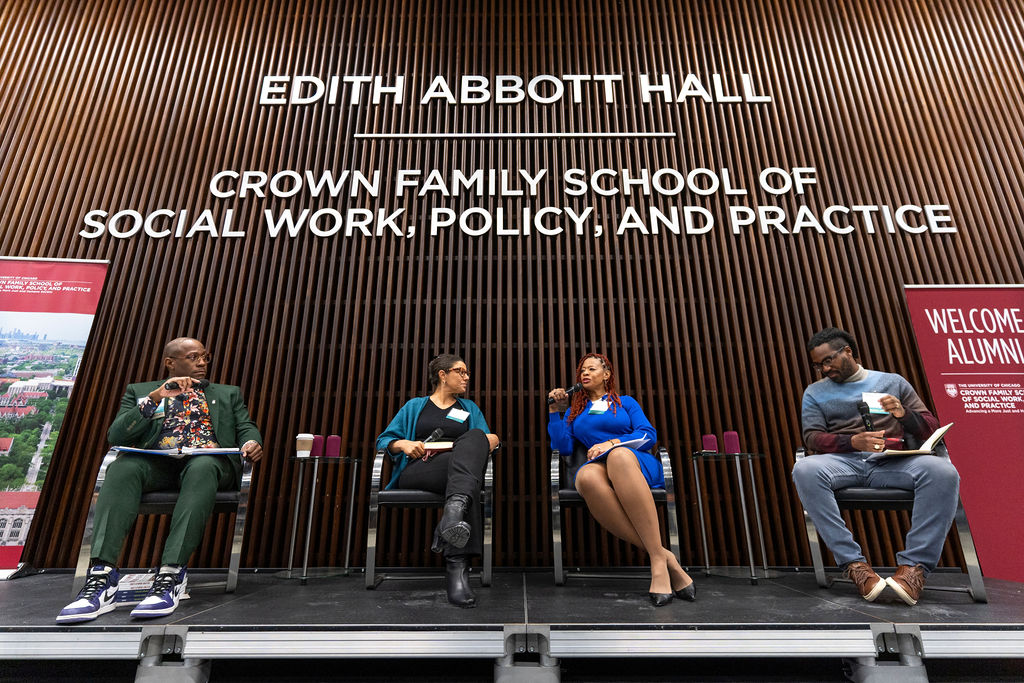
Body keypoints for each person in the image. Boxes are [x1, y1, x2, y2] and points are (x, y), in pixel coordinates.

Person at [57, 337, 263, 623]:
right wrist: (155, 398)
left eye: (205, 357)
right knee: (121, 468)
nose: (202, 362)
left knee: (202, 466)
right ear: (170, 363)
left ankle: (170, 575)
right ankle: (102, 579)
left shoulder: (227, 394)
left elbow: (246, 426)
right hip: (157, 465)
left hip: (209, 463)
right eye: (193, 357)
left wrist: (252, 442)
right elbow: (116, 436)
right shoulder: (141, 391)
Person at [792, 327, 960, 605]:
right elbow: (812, 437)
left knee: (943, 472)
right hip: (843, 462)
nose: (824, 368)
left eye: (828, 360)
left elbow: (929, 427)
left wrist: (903, 414)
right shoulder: (815, 392)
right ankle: (854, 566)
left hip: (892, 462)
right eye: (818, 364)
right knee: (804, 469)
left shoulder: (893, 383)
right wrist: (852, 442)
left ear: (848, 352)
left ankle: (914, 570)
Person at [547, 352, 695, 607]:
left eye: (592, 369)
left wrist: (612, 443)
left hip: (633, 461)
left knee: (618, 457)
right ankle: (663, 556)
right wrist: (554, 412)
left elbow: (648, 434)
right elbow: (564, 447)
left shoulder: (625, 402)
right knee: (586, 477)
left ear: (606, 375)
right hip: (599, 466)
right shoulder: (575, 410)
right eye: (582, 370)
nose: (585, 373)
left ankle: (659, 566)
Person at [375, 353, 499, 608]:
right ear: (442, 375)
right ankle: (457, 565)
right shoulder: (414, 406)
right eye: (460, 372)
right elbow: (384, 440)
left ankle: (452, 517)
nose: (467, 377)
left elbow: (488, 440)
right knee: (469, 481)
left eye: (467, 372)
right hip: (419, 469)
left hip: (457, 472)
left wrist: (490, 439)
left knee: (475, 440)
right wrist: (404, 443)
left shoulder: (469, 409)